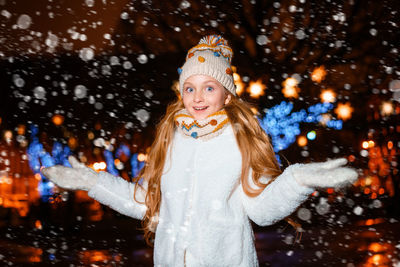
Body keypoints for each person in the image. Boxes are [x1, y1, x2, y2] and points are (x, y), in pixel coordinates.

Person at [42, 35, 358, 267]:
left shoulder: (240, 142)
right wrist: (92, 183)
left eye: (209, 87)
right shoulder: (171, 139)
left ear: (227, 96)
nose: (197, 97)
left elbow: (261, 210)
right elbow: (146, 203)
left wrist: (298, 181)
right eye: (190, 88)